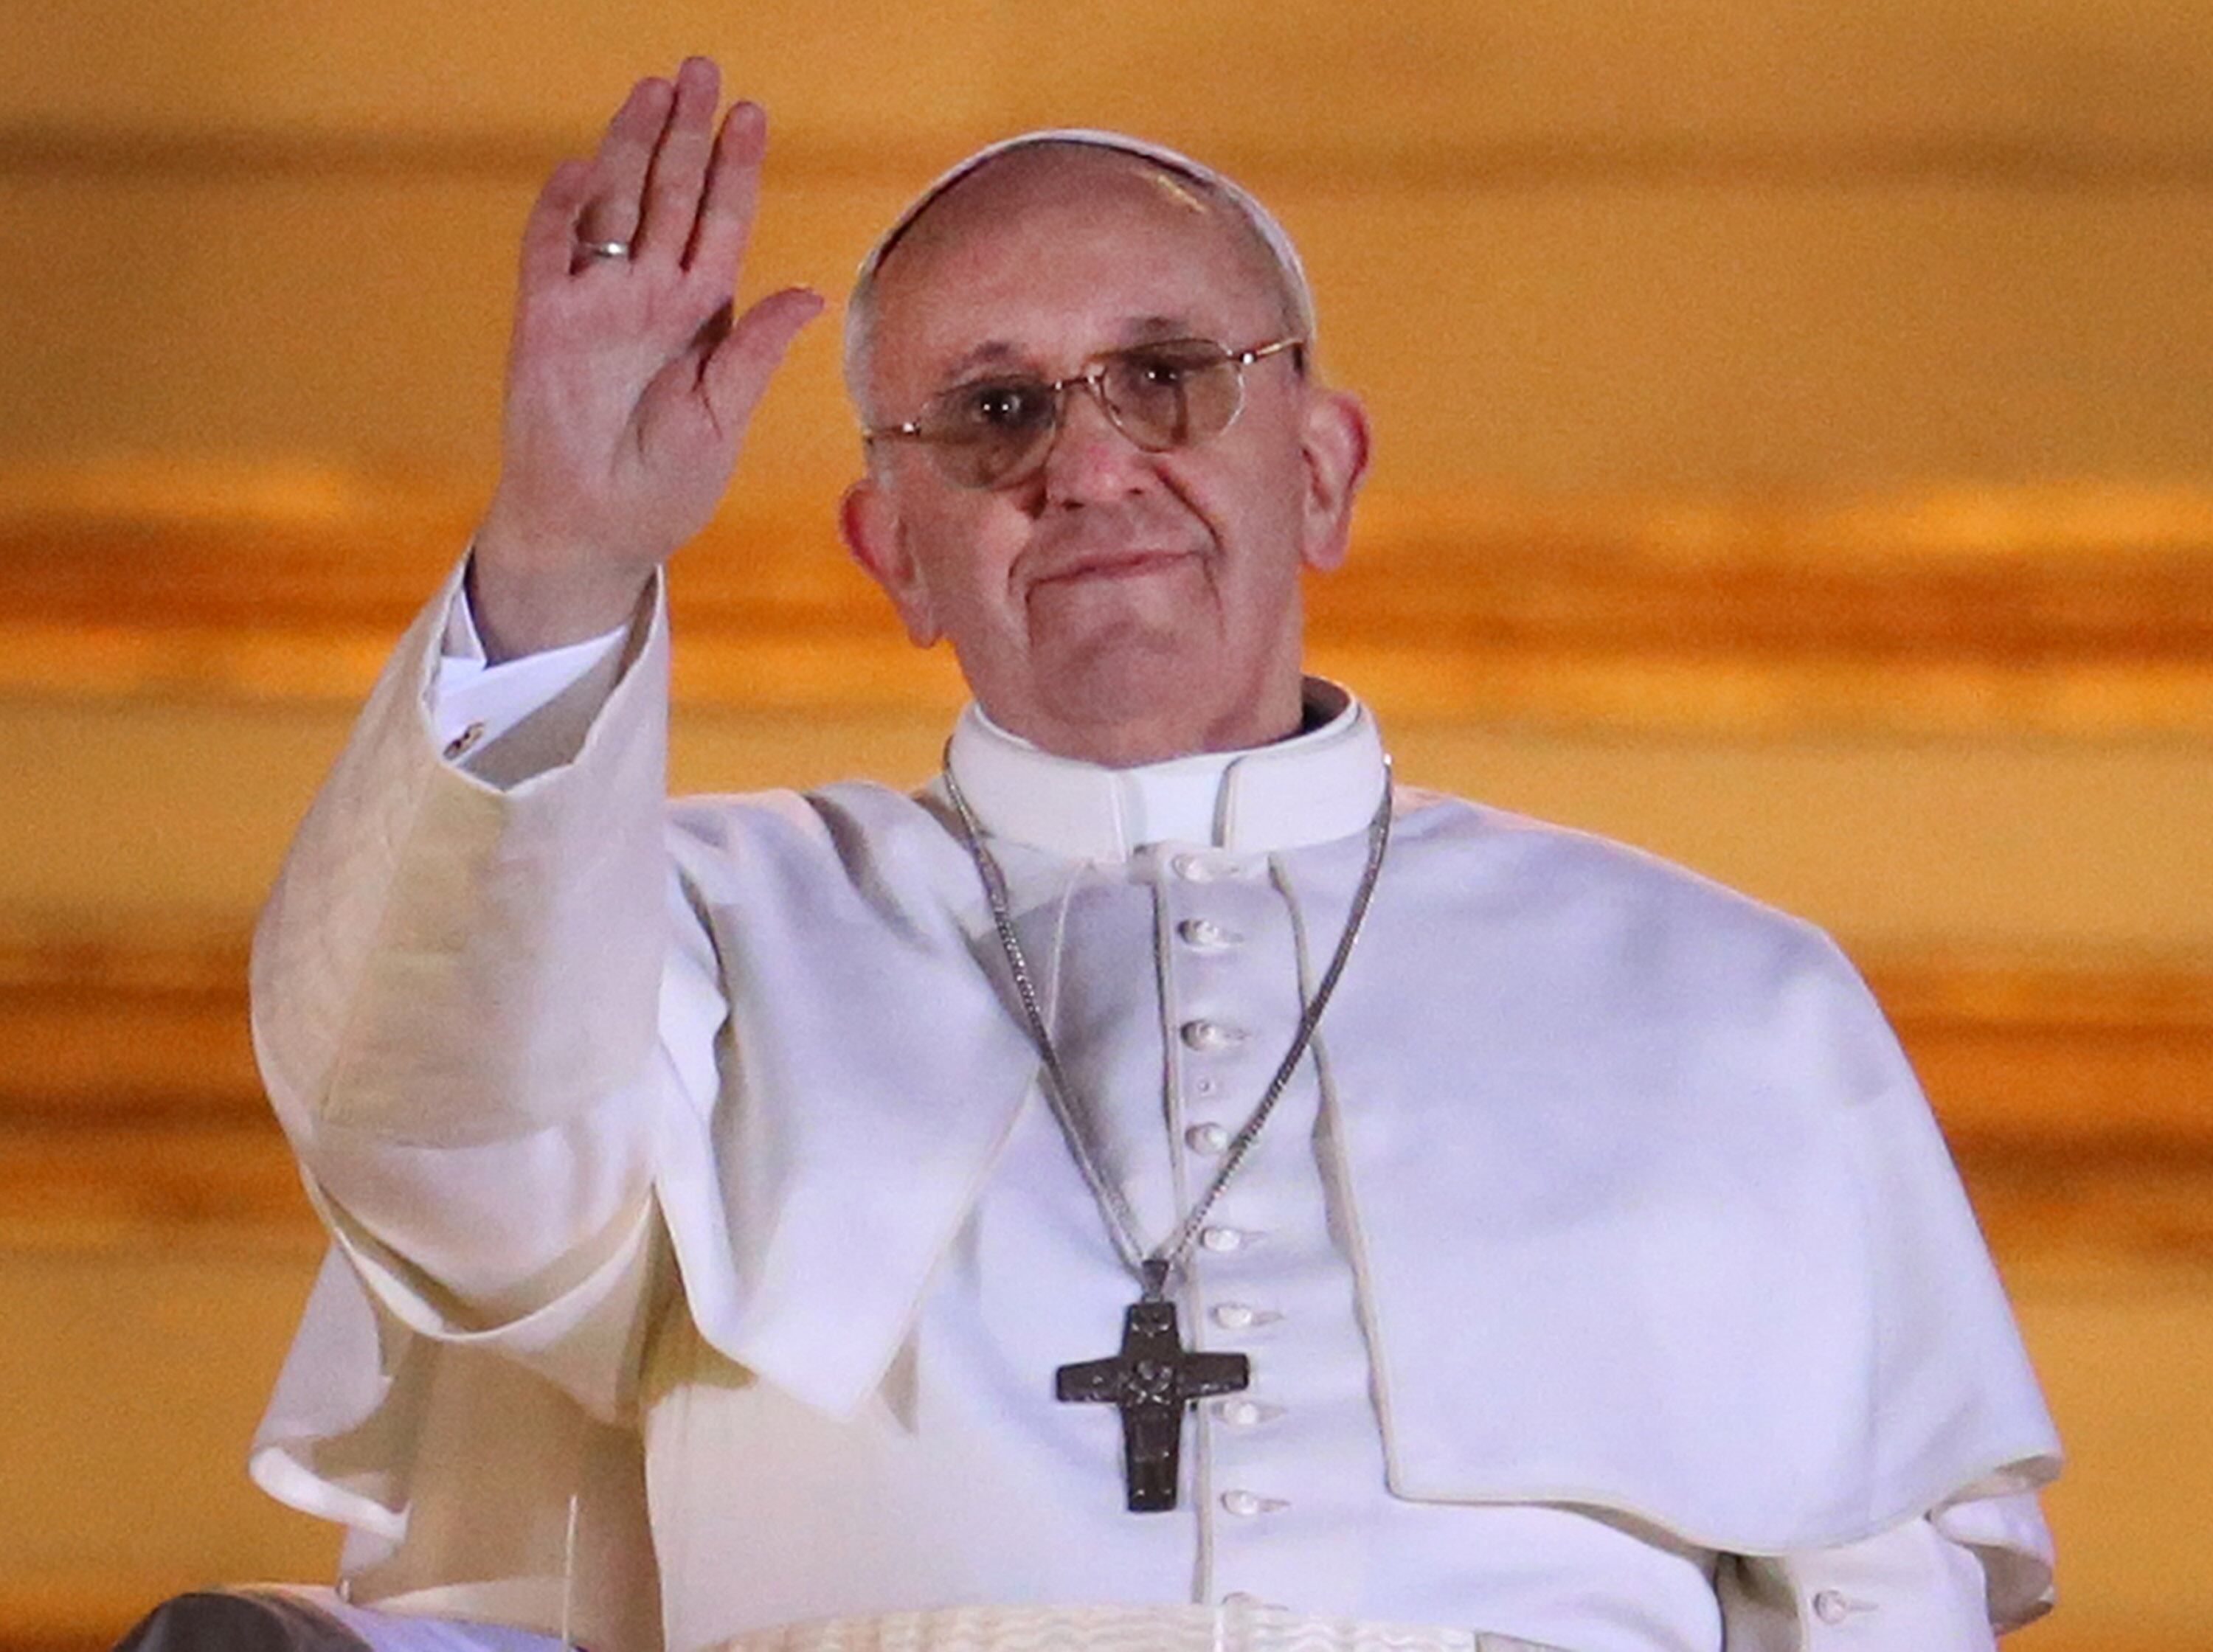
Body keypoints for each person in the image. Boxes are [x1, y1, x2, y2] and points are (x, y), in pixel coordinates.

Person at [125, 56, 2063, 1652]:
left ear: (1318, 470)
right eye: (992, 412)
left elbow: (1879, 1605)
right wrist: (562, 548)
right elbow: (437, 1150)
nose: (1087, 459)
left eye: (1167, 373)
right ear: (894, 554)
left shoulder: (1730, 1002)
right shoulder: (694, 935)